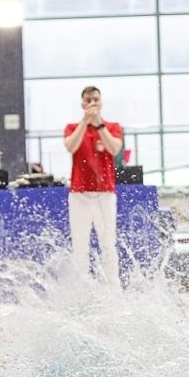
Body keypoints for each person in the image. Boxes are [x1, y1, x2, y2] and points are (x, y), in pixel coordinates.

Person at [62, 85, 123, 284]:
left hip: (105, 194)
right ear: (82, 104)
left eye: (95, 99)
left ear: (101, 102)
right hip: (80, 195)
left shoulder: (112, 126)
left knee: (108, 244)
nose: (92, 104)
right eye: (88, 100)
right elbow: (71, 146)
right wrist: (85, 122)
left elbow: (114, 148)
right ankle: (81, 289)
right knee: (80, 246)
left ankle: (113, 288)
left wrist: (99, 126)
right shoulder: (72, 127)